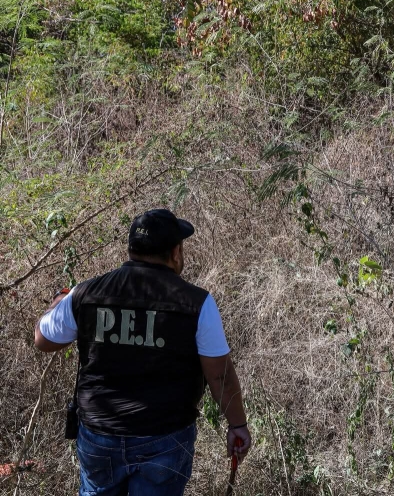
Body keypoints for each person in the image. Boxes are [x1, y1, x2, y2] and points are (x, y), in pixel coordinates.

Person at [34, 209, 252, 495]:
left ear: (131, 249)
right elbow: (219, 376)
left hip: (99, 436)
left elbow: (43, 338)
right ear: (176, 252)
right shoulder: (196, 303)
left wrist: (58, 303)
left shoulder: (86, 293)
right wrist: (237, 424)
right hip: (165, 437)